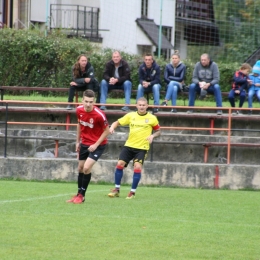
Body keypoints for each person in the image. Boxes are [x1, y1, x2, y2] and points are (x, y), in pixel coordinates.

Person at [108, 97, 161, 199]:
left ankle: (132, 192)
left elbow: (159, 131)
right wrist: (112, 127)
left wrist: (153, 136)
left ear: (147, 106)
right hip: (129, 145)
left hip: (142, 147)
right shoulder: (131, 115)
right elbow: (117, 122)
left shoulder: (152, 118)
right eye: (140, 105)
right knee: (120, 164)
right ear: (136, 106)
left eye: (143, 105)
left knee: (137, 167)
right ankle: (116, 190)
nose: (141, 107)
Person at [66, 89, 110, 204]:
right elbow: (79, 125)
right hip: (84, 143)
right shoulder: (79, 110)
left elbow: (107, 131)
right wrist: (77, 142)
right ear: (82, 100)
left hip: (98, 144)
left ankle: (82, 196)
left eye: (91, 102)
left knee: (86, 168)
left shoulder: (99, 114)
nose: (88, 104)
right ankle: (78, 195)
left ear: (94, 101)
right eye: (86, 101)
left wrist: (96, 145)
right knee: (80, 168)